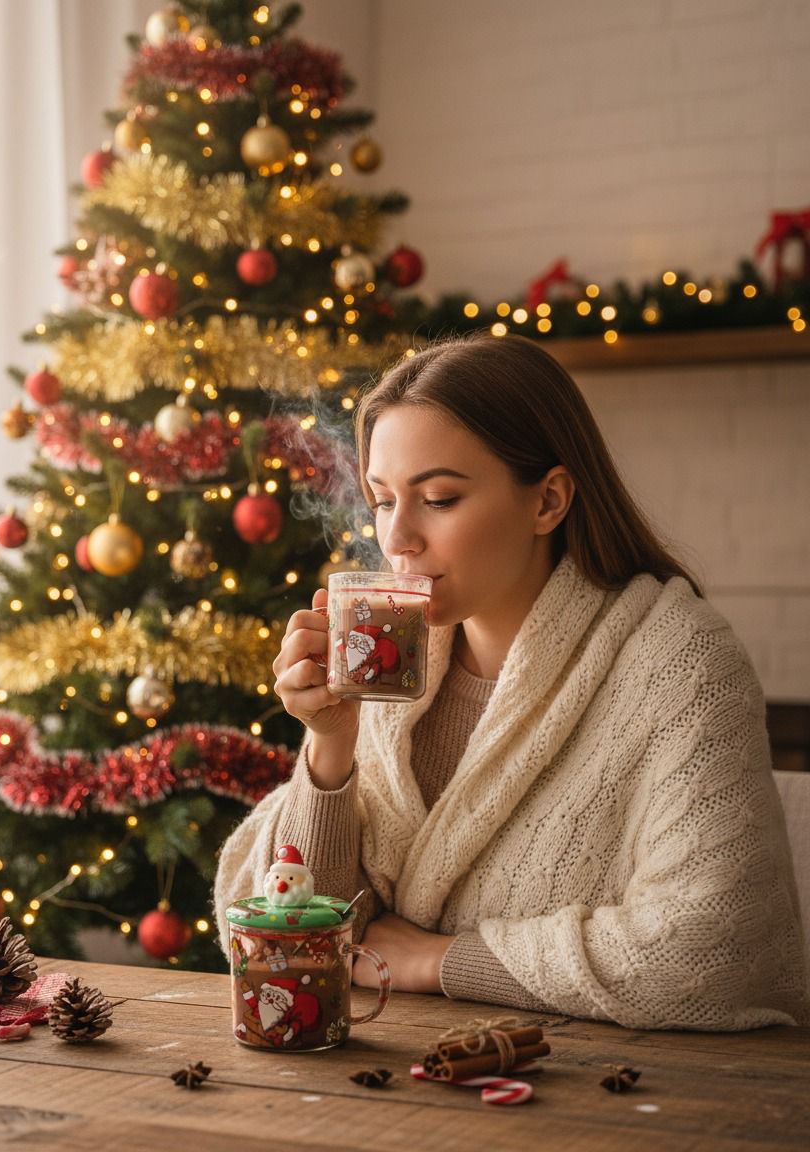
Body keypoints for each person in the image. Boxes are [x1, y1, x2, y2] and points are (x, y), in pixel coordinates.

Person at [214, 332, 807, 1030]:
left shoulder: (679, 662)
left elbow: (716, 948)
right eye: (380, 500)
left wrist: (441, 961)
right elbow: (283, 947)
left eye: (437, 498)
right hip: (398, 1084)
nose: (396, 538)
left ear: (548, 501)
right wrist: (329, 748)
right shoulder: (389, 667)